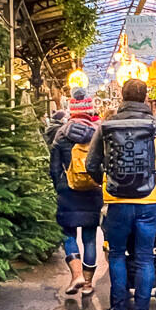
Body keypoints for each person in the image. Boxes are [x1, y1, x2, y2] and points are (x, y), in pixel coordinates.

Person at [86, 79, 156, 310]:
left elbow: (91, 165)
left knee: (116, 254)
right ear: (145, 97)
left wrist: (107, 182)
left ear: (121, 96)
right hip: (149, 202)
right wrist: (155, 181)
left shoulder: (106, 126)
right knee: (146, 256)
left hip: (117, 201)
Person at [49, 87, 103, 296]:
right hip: (92, 190)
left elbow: (53, 167)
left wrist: (59, 186)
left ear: (71, 111)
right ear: (89, 111)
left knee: (68, 234)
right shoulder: (98, 133)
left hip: (67, 191)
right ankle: (88, 284)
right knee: (90, 237)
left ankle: (76, 274)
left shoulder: (61, 134)